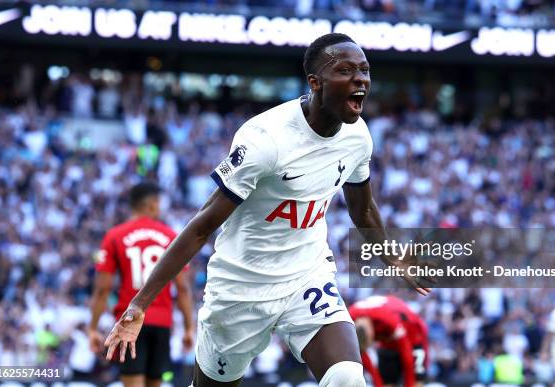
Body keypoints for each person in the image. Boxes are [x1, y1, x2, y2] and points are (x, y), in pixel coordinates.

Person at [104, 33, 431, 387]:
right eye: (346, 70)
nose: (360, 80)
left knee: (348, 378)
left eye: (365, 71)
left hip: (307, 276)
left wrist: (392, 257)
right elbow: (201, 226)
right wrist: (139, 305)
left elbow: (363, 209)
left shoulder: (357, 137)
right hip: (240, 287)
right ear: (315, 82)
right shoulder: (266, 139)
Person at [89, 181, 195, 387]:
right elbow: (183, 288)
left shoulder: (115, 236)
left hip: (130, 321)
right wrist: (189, 328)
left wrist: (93, 328)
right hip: (162, 324)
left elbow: (102, 290)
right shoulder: (171, 236)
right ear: (152, 204)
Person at [349, 295, 428, 387]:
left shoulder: (387, 319)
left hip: (413, 334)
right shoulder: (349, 318)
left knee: (416, 381)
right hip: (388, 339)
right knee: (387, 382)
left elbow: (407, 354)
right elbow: (362, 352)